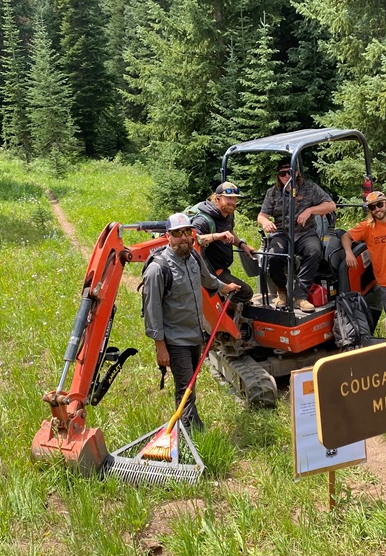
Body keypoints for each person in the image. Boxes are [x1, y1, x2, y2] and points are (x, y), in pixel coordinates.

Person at [142, 213, 240, 430]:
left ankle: (189, 425)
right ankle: (189, 433)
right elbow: (152, 311)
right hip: (176, 341)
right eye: (178, 233)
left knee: (190, 385)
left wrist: (224, 287)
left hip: (196, 334)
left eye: (188, 232)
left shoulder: (194, 257)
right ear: (168, 236)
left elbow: (207, 278)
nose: (184, 237)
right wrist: (160, 347)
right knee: (185, 387)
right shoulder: (158, 270)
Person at [257, 160, 336, 312]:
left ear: (297, 173)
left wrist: (310, 210)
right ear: (278, 176)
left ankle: (300, 296)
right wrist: (265, 222)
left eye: (290, 172)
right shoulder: (272, 192)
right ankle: (282, 291)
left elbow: (331, 205)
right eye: (283, 174)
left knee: (314, 251)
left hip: (305, 232)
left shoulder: (309, 188)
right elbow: (262, 215)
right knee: (273, 256)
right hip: (282, 233)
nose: (287, 176)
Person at [189, 181, 255, 306]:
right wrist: (217, 236)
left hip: (223, 270)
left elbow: (229, 231)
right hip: (209, 274)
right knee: (245, 293)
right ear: (217, 198)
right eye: (229, 198)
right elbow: (192, 241)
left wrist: (242, 245)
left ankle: (223, 304)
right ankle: (222, 316)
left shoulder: (228, 214)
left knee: (242, 293)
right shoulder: (203, 220)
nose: (232, 202)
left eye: (235, 199)